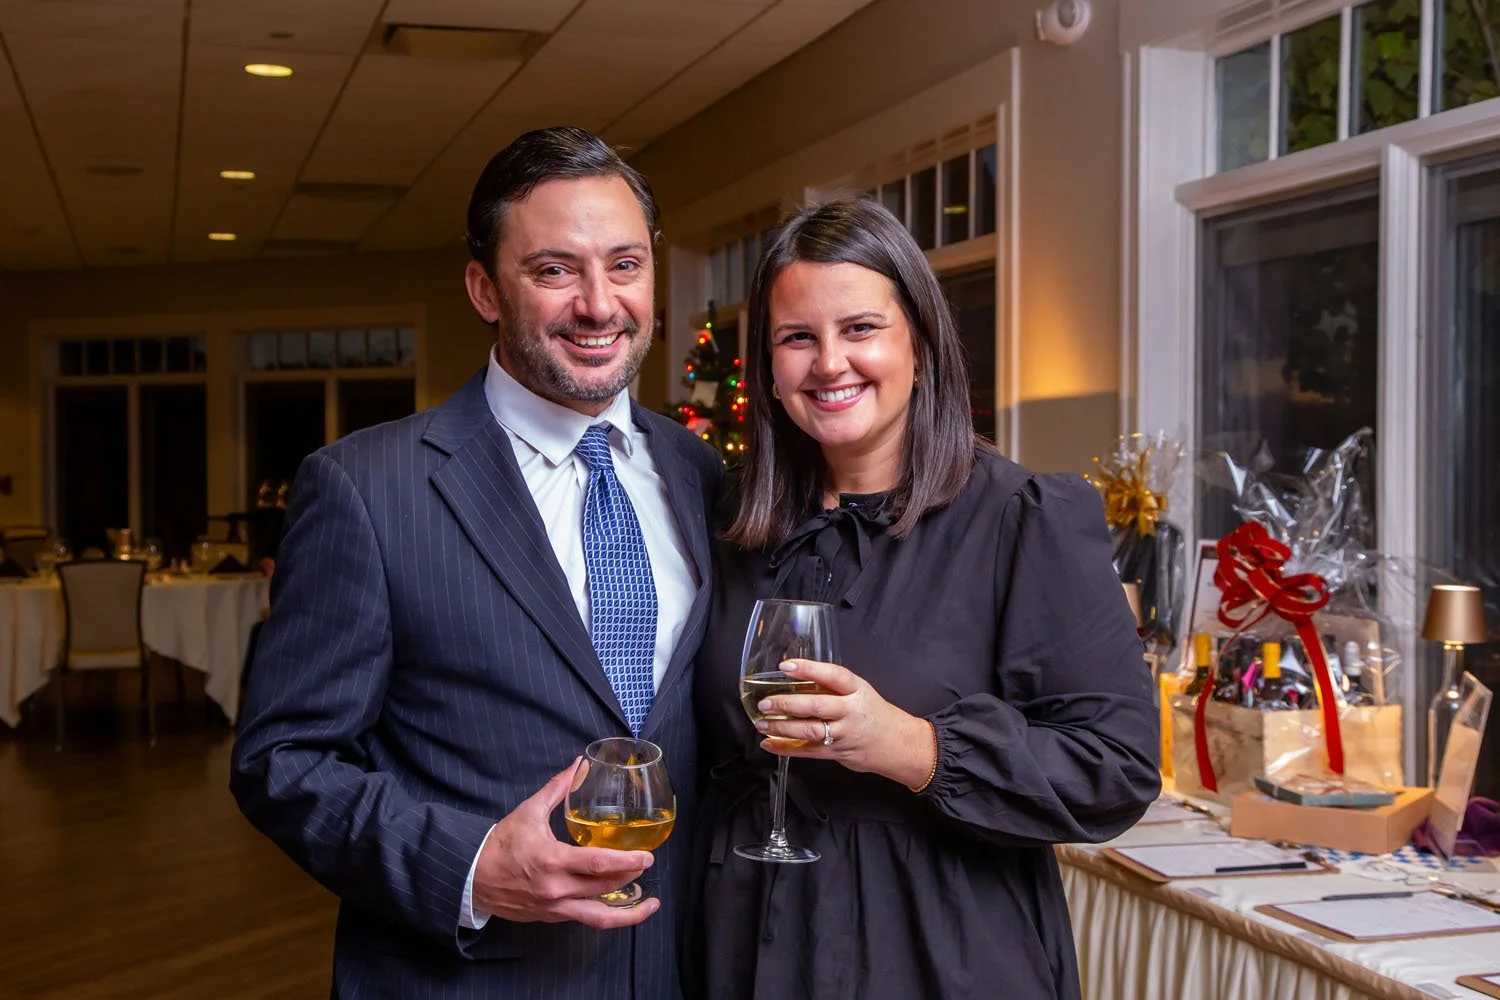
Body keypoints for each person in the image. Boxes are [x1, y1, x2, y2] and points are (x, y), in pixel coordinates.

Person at [231, 126, 722, 999]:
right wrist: (473, 865)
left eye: (625, 265)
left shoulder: (702, 475)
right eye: (554, 270)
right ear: (484, 289)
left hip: (681, 967)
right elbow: (283, 759)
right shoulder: (364, 487)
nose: (600, 304)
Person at [688, 198, 1161, 999]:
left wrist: (909, 745)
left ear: (921, 342)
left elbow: (1115, 767)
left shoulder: (1022, 520)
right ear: (769, 367)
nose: (829, 363)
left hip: (938, 951)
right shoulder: (733, 523)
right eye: (798, 337)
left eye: (861, 329)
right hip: (744, 940)